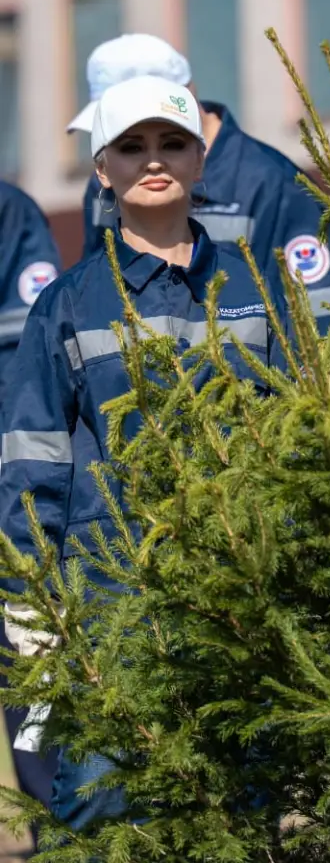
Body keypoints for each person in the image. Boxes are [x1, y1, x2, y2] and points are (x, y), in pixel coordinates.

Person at [0, 74, 288, 831]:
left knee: (242, 809)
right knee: (105, 804)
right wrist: (29, 592)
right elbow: (33, 458)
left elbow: (292, 432)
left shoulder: (254, 288)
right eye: (130, 147)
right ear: (103, 169)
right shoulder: (66, 303)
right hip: (108, 601)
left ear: (199, 160)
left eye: (171, 144)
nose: (151, 160)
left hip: (238, 591)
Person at [67, 33, 330, 334]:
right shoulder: (103, 188)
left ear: (185, 94)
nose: (147, 160)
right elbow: (91, 299)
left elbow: (317, 327)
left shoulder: (275, 185)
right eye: (125, 142)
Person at [0, 180, 61, 827]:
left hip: (7, 491)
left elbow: (25, 361)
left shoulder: (9, 211)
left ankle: (59, 827)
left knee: (31, 662)